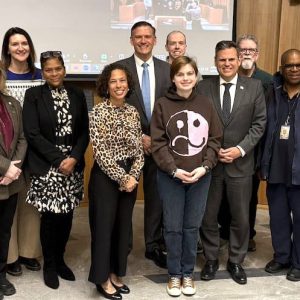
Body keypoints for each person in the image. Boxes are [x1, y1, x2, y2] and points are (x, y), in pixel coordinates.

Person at [151, 56, 222, 297]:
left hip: (200, 176)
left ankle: (188, 273)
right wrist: (173, 169)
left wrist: (205, 167)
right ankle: (174, 274)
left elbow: (214, 139)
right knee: (172, 227)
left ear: (196, 76)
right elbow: (158, 143)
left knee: (192, 227)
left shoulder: (206, 104)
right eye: (180, 74)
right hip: (170, 176)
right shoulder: (162, 105)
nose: (185, 78)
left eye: (190, 73)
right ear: (173, 78)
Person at [198, 40, 266, 285]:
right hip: (211, 165)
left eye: (230, 59)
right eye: (221, 60)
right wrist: (212, 151)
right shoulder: (203, 88)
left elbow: (259, 125)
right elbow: (198, 124)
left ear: (238, 60)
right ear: (215, 62)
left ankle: (236, 261)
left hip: (241, 166)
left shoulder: (255, 87)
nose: (226, 64)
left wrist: (239, 150)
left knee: (240, 217)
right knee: (207, 217)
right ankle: (212, 258)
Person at [22, 51, 89, 289]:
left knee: (68, 215)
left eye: (58, 68)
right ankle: (49, 265)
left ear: (64, 69)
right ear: (43, 71)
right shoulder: (33, 95)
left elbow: (84, 131)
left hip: (73, 165)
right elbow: (32, 133)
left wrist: (74, 158)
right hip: (48, 165)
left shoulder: (77, 93)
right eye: (48, 69)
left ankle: (60, 260)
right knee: (50, 218)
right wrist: (60, 159)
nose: (54, 73)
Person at [117, 21, 171, 268]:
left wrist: (156, 137)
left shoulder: (167, 70)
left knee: (156, 199)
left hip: (159, 146)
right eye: (138, 37)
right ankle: (122, 248)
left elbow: (174, 108)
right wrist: (138, 135)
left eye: (147, 36)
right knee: (124, 197)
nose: (143, 41)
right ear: (131, 40)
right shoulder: (119, 70)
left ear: (155, 39)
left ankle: (153, 245)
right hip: (128, 145)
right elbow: (114, 110)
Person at [88, 63, 144, 300]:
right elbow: (100, 153)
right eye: (113, 81)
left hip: (130, 176)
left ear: (128, 84)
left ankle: (115, 272)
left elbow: (139, 150)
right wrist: (122, 177)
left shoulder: (133, 112)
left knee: (123, 229)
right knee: (104, 229)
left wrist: (133, 176)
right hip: (105, 178)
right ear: (106, 85)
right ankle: (101, 279)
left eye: (122, 80)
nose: (119, 85)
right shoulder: (97, 112)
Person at [217, 34, 273, 252]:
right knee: (222, 198)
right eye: (243, 50)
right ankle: (224, 233)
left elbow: (264, 120)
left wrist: (245, 149)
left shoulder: (267, 81)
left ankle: (246, 235)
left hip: (253, 150)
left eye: (251, 50)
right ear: (237, 55)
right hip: (224, 153)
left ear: (256, 54)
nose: (247, 53)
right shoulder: (228, 77)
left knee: (247, 199)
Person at [1, 27, 43, 276]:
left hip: (35, 149)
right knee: (10, 205)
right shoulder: (1, 75)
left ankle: (28, 252)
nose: (20, 48)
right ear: (7, 48)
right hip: (9, 150)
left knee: (31, 203)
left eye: (24, 43)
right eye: (14, 44)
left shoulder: (39, 75)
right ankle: (10, 256)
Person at [261, 49, 300, 281]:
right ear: (281, 68)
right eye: (289, 65)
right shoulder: (272, 93)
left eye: (298, 65)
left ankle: (298, 262)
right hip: (276, 166)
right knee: (278, 217)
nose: (294, 69)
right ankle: (282, 257)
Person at [0, 61, 27, 297]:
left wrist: (14, 168)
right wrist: (6, 167)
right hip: (4, 174)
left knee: (4, 231)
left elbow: (22, 138)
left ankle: (1, 275)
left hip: (12, 181)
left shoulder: (12, 103)